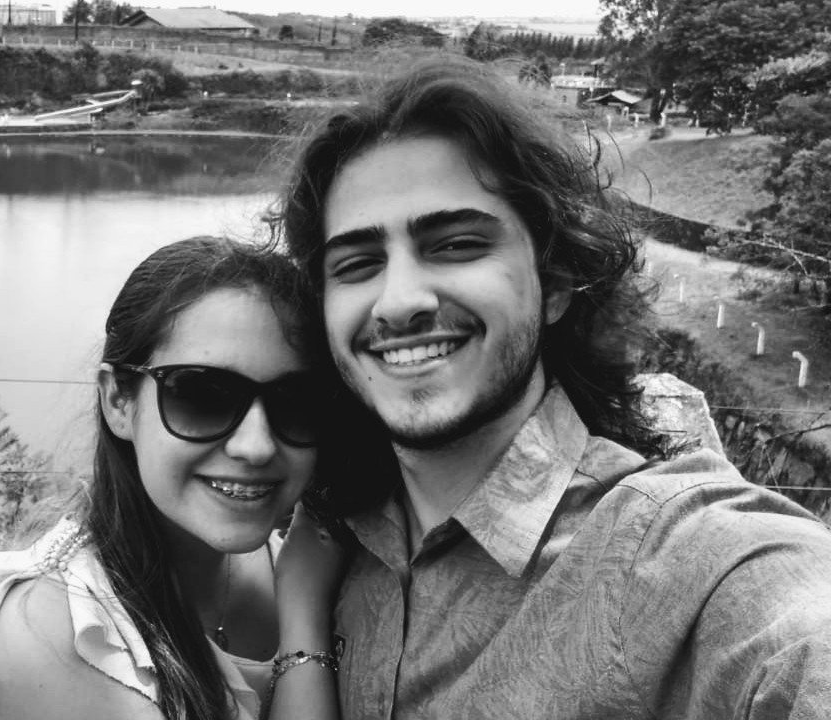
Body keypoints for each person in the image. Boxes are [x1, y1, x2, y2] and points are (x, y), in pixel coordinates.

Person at [276, 56, 831, 719]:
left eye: (455, 245)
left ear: (557, 284)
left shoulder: (675, 559)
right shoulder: (340, 540)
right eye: (358, 263)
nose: (398, 303)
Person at [0, 236, 345, 720]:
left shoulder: (282, 558)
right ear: (118, 401)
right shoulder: (55, 634)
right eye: (203, 396)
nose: (257, 445)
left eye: (297, 401)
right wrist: (304, 614)